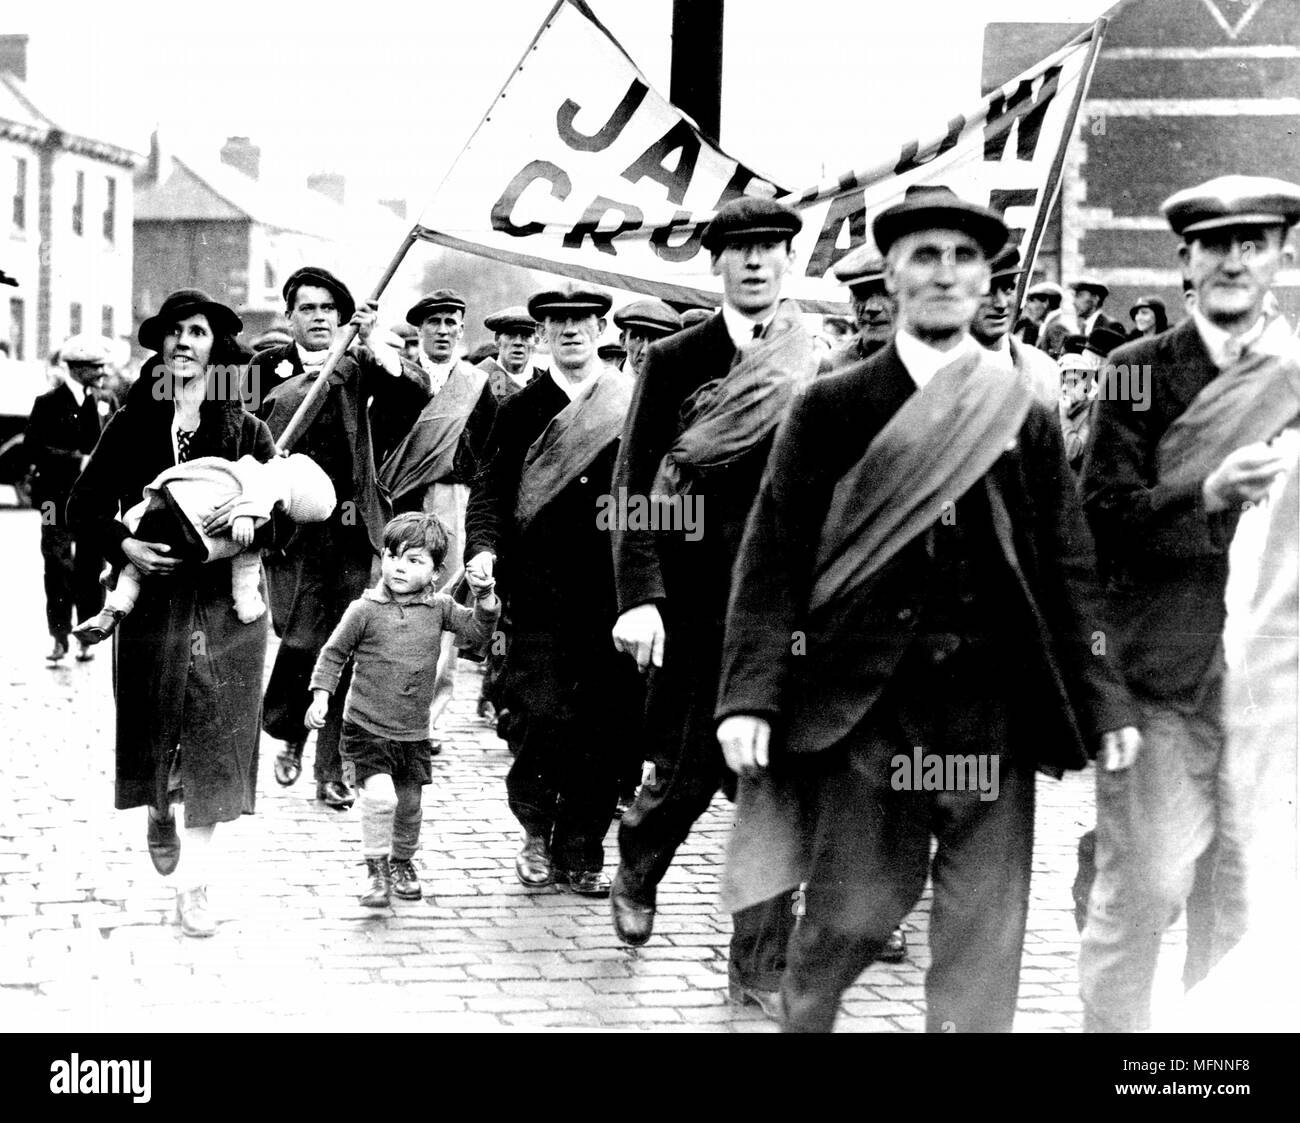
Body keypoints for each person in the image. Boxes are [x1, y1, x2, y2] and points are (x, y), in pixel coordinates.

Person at [713, 186, 1137, 1032]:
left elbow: (1069, 566)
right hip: (870, 717)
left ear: (988, 280)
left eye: (964, 257)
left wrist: (1105, 698)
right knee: (852, 921)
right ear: (892, 274)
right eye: (924, 256)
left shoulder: (1023, 408)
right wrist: (749, 695)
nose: (945, 273)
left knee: (985, 942)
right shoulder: (832, 406)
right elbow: (772, 561)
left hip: (994, 715)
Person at [1078, 173, 1300, 1033]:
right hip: (1162, 674)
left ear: (1281, 257)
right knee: (1151, 888)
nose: (1234, 260)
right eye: (1216, 245)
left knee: (1245, 905)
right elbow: (1101, 514)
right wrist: (1204, 489)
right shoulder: (1136, 373)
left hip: (1271, 683)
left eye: (1253, 243)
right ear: (1186, 260)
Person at [608, 197, 820, 1016]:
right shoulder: (673, 359)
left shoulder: (814, 359)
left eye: (771, 249)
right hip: (695, 600)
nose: (757, 263)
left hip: (782, 603)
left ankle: (759, 963)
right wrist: (642, 597)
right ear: (717, 264)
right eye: (741, 250)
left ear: (788, 262)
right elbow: (634, 484)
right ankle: (639, 855)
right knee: (693, 768)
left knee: (774, 780)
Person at [66, 289, 292, 937]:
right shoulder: (134, 424)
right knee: (156, 722)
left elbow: (287, 517)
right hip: (154, 605)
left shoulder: (248, 432)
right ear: (161, 346)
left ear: (217, 349)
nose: (183, 342)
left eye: (197, 332)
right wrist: (124, 543)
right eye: (173, 332)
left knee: (217, 739)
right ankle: (160, 799)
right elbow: (84, 506)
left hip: (226, 609)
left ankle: (195, 885)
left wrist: (256, 524)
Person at [464, 284, 642, 895]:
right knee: (541, 717)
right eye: (557, 322)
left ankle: (582, 846)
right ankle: (536, 832)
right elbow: (488, 491)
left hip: (614, 595)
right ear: (540, 334)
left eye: (582, 320)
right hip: (538, 594)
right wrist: (483, 550)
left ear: (601, 327)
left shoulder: (631, 404)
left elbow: (654, 496)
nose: (570, 331)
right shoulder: (518, 409)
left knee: (605, 726)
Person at [252, 265, 427, 809]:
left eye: (329, 308)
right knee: (300, 635)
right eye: (308, 308)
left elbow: (415, 391)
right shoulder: (264, 367)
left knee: (346, 643)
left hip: (352, 528)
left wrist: (374, 343)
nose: (320, 317)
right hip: (292, 530)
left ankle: (333, 769)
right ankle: (290, 730)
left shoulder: (356, 363)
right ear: (290, 317)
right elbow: (235, 424)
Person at [308, 512, 499, 906]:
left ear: (435, 571)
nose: (399, 566)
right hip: (366, 726)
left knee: (409, 806)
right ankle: (375, 870)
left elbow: (478, 632)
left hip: (413, 731)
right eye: (393, 556)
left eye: (414, 560)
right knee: (382, 799)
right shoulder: (364, 610)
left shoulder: (441, 608)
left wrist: (484, 598)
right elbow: (333, 655)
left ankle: (402, 862)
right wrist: (321, 695)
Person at [379, 289, 498, 753]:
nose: (444, 331)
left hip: (454, 498)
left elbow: (490, 451)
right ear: (421, 331)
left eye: (452, 322)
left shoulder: (475, 384)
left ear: (461, 328)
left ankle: (427, 719)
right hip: (402, 501)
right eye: (435, 323)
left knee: (443, 602)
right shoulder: (399, 381)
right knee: (394, 598)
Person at [73, 452, 335, 642]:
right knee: (141, 561)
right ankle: (116, 588)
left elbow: (253, 549)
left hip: (169, 508)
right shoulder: (260, 479)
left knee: (136, 563)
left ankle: (111, 609)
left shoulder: (264, 489)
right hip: (189, 528)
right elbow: (249, 554)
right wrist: (246, 513)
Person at [25, 333, 118, 662]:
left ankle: (85, 636)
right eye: (96, 367)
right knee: (56, 563)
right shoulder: (47, 403)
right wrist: (76, 460)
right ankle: (59, 637)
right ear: (78, 369)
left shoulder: (107, 402)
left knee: (91, 566)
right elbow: (34, 449)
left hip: (93, 503)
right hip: (52, 501)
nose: (103, 373)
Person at [969, 244, 1060, 405]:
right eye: (987, 291)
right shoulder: (932, 371)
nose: (1001, 304)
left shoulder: (1046, 370)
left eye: (1008, 288)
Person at [829, 247, 896, 366]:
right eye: (861, 294)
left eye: (886, 293)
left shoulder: (936, 362)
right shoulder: (833, 366)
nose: (871, 307)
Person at [477, 306, 543, 402]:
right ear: (497, 339)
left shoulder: (547, 381)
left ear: (536, 341)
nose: (518, 342)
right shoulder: (477, 379)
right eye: (511, 335)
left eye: (526, 336)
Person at [613, 298, 683, 378]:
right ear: (623, 341)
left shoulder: (680, 387)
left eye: (655, 339)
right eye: (638, 338)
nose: (645, 351)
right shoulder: (603, 385)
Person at [1015, 281, 1064, 347]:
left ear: (1045, 302)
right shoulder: (1050, 324)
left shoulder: (1057, 327)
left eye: (1032, 301)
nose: (1027, 306)